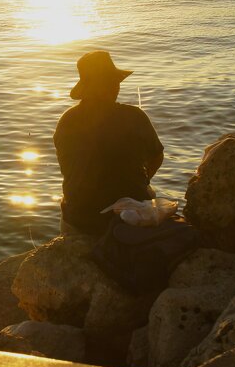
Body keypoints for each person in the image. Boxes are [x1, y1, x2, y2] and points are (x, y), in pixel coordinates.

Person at [54, 51, 164, 236]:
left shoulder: (67, 120)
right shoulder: (134, 116)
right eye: (113, 82)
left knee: (68, 201)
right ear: (108, 85)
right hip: (129, 216)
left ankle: (72, 243)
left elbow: (69, 167)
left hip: (81, 219)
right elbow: (157, 157)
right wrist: (142, 181)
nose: (117, 87)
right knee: (150, 193)